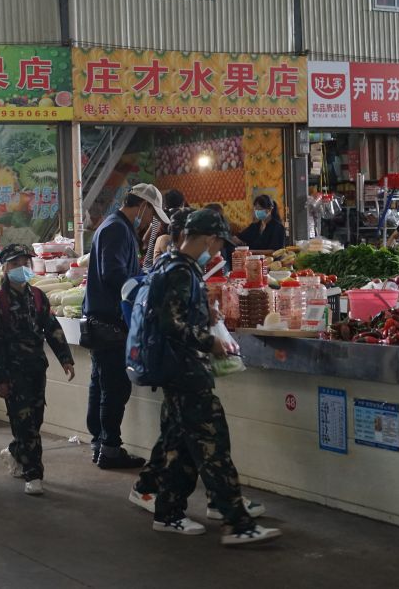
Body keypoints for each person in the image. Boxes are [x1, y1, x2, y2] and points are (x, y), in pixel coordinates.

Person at [150, 209, 281, 546]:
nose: (219, 250)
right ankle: (237, 524)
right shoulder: (181, 271)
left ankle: (168, 513)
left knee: (179, 447)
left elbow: (174, 314)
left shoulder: (172, 264)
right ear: (210, 239)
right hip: (187, 373)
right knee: (214, 445)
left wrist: (205, 312)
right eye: (220, 243)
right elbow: (170, 324)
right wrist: (210, 342)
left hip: (176, 373)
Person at [83, 183, 170, 469]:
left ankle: (100, 443)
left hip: (101, 321)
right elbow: (113, 274)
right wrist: (143, 288)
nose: (150, 221)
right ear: (143, 206)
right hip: (110, 322)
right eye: (152, 214)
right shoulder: (117, 229)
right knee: (114, 388)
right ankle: (109, 449)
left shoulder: (114, 226)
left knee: (101, 384)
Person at [0, 244, 75, 496]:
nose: (22, 269)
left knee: (34, 421)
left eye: (25, 263)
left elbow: (52, 327)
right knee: (25, 424)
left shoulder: (37, 296)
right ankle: (33, 474)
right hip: (13, 374)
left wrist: (65, 358)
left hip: (37, 369)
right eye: (15, 264)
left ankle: (15, 452)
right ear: (5, 268)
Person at [143, 189, 184, 270]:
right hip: (161, 268)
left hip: (148, 266)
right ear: (182, 203)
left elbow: (145, 239)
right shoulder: (180, 218)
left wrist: (153, 251)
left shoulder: (157, 217)